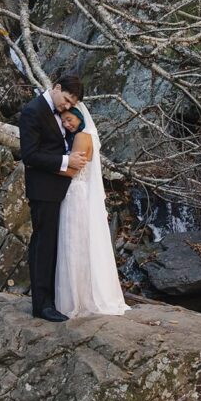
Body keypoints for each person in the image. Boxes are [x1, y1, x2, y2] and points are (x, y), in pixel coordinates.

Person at [18, 75, 88, 322]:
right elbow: (30, 155)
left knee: (56, 245)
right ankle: (41, 305)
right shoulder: (32, 111)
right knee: (43, 245)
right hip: (43, 189)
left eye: (71, 104)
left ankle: (55, 299)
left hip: (60, 188)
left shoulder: (62, 113)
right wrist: (67, 161)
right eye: (67, 100)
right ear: (56, 88)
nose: (67, 107)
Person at [55, 105, 131, 318]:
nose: (67, 124)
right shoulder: (84, 135)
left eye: (69, 119)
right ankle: (81, 295)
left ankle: (79, 299)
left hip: (76, 194)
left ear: (79, 116)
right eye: (64, 121)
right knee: (77, 243)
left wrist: (47, 165)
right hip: (77, 193)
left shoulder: (81, 136)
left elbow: (72, 170)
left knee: (75, 243)